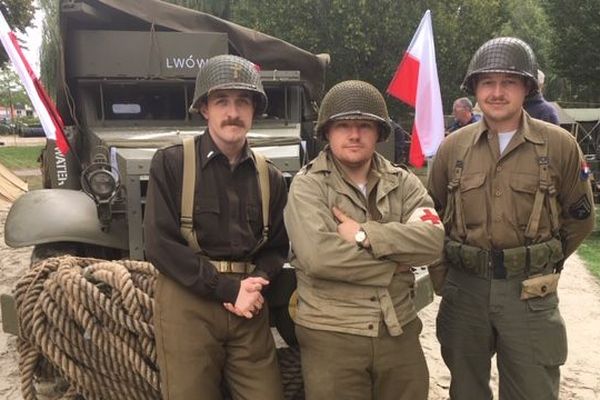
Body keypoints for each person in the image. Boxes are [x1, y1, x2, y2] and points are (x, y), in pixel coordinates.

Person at [428, 37, 595, 400]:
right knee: (466, 390)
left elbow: (580, 218)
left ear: (527, 89)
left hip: (529, 296)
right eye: (488, 82)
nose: (498, 92)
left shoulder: (559, 146)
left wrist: (541, 261)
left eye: (509, 82)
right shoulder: (451, 148)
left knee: (533, 390)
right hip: (465, 292)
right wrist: (445, 278)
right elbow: (431, 217)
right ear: (475, 90)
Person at [284, 80, 445, 400]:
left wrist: (364, 233)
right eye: (343, 125)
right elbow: (319, 258)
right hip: (333, 334)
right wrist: (395, 264)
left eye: (364, 126)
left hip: (397, 330)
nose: (354, 135)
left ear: (379, 133)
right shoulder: (308, 186)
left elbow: (432, 241)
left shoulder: (403, 183)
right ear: (327, 132)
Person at [144, 54, 288, 400]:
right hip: (188, 298)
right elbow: (160, 245)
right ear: (204, 109)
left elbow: (278, 247)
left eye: (242, 102)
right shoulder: (172, 163)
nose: (233, 112)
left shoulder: (270, 176)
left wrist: (257, 283)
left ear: (253, 110)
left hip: (249, 302)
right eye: (221, 101)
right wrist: (227, 290)